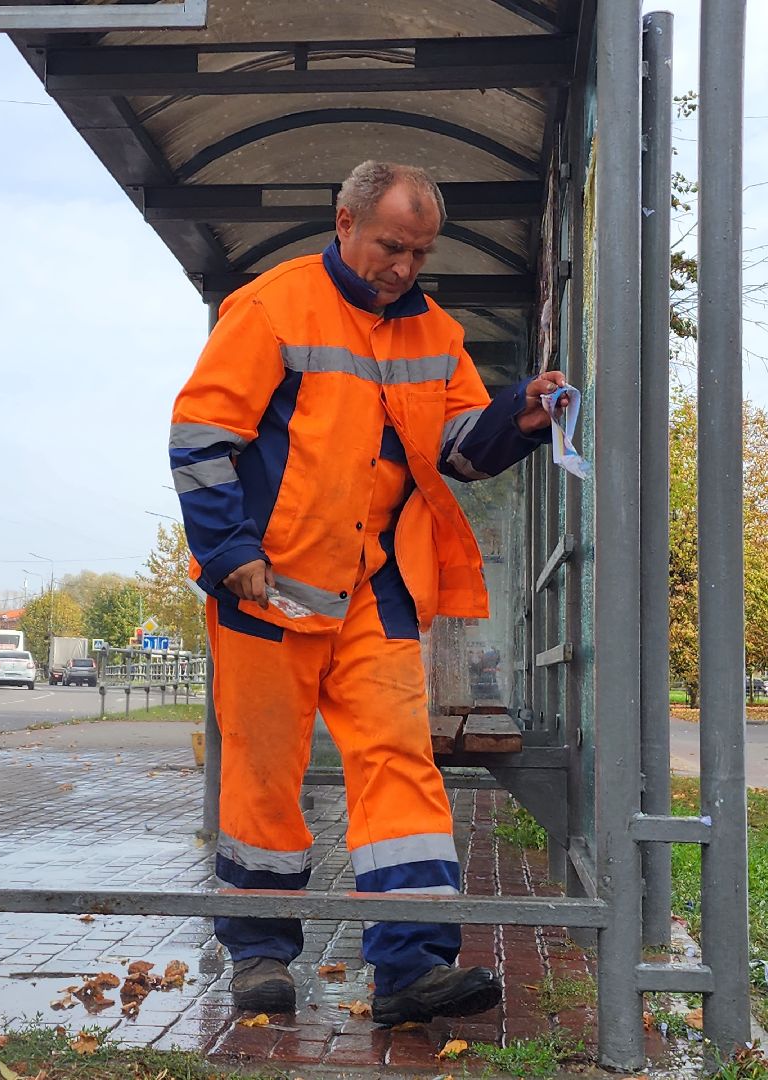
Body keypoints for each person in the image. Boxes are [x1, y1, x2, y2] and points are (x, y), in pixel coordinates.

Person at [170, 160, 568, 1026]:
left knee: (399, 765)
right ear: (343, 221)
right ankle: (264, 955)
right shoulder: (274, 305)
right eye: (393, 246)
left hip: (375, 587)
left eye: (420, 253)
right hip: (268, 586)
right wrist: (230, 552)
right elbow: (201, 436)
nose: (404, 268)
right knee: (264, 778)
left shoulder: (435, 334)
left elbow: (460, 446)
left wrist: (520, 415)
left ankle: (413, 965)